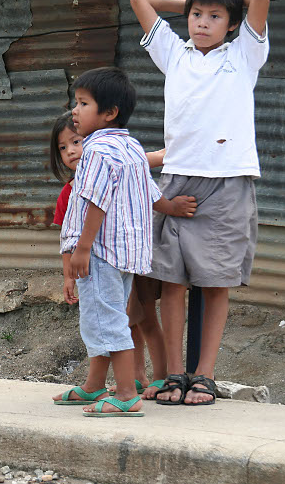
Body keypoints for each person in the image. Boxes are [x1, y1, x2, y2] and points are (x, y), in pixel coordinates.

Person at [130, 0, 270, 405]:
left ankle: (204, 376)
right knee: (171, 280)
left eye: (214, 15)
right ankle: (174, 374)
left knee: (215, 282)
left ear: (233, 23)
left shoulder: (244, 53)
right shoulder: (174, 54)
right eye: (196, 14)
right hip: (177, 180)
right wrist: (193, 0)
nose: (202, 22)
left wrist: (227, 0)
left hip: (228, 183)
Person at [53, 66, 193, 417]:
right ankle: (94, 385)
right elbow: (148, 192)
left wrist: (82, 248)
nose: (75, 109)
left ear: (109, 113)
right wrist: (171, 207)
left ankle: (127, 392)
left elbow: (97, 200)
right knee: (105, 316)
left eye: (83, 103)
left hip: (99, 250)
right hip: (126, 253)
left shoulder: (97, 151)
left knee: (106, 320)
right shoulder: (130, 147)